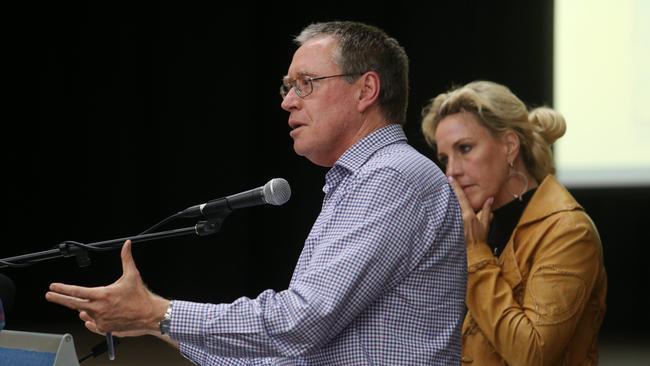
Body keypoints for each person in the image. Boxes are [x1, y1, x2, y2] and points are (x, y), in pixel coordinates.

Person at [46, 21, 467, 365]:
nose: (288, 102)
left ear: (366, 90)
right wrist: (154, 321)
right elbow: (287, 353)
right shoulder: (361, 180)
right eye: (287, 87)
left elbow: (299, 323)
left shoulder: (392, 178)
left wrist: (160, 313)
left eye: (306, 83)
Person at [421, 80, 607, 365]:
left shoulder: (568, 230)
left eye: (466, 148)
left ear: (509, 146)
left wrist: (475, 256)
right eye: (445, 158)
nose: (452, 171)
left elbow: (533, 354)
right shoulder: (477, 226)